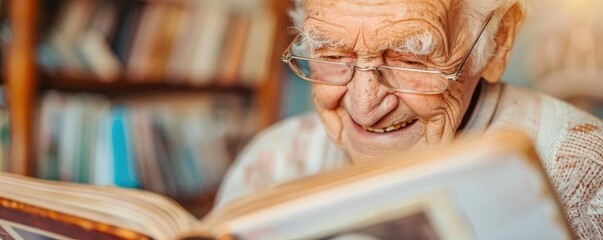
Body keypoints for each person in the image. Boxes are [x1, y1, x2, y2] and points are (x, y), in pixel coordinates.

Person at [215, 0, 603, 238]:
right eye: (331, 56)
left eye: (409, 60)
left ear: (498, 41)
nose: (365, 106)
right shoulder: (269, 163)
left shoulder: (585, 179)